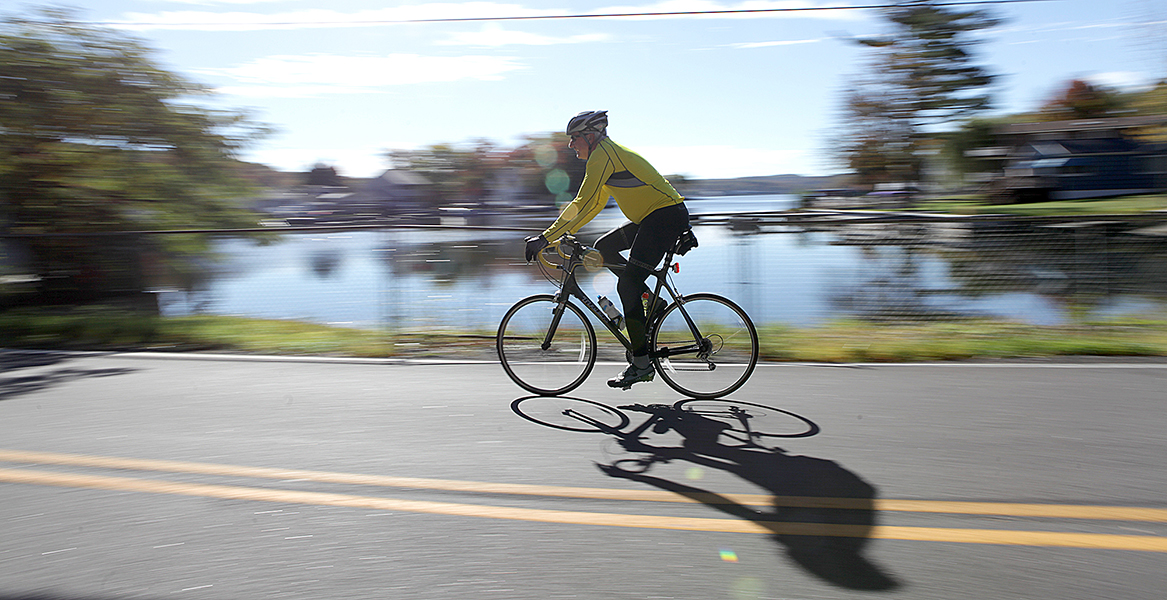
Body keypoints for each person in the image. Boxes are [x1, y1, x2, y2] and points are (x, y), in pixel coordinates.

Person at [524, 110, 690, 389]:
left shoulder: (603, 155)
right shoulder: (606, 156)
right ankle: (652, 300)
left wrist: (546, 237)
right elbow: (593, 205)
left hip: (664, 218)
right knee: (602, 248)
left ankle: (641, 364)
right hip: (654, 218)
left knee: (627, 287)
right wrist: (558, 236)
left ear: (590, 136)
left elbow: (582, 202)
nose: (570, 144)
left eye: (574, 138)